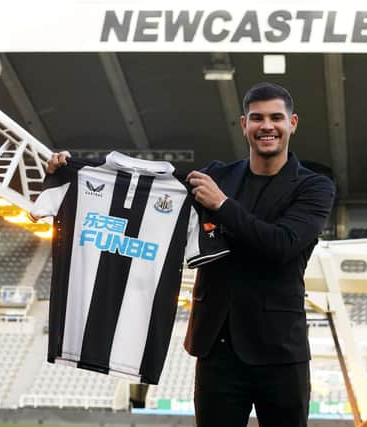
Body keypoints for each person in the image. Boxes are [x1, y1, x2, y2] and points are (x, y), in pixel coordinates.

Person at [46, 82, 335, 427]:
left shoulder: (314, 186)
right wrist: (74, 166)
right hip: (215, 349)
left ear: (293, 123)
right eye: (257, 118)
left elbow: (283, 245)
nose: (267, 126)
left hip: (280, 352)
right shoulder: (216, 176)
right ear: (244, 124)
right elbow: (150, 181)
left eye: (276, 117)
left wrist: (223, 205)